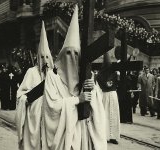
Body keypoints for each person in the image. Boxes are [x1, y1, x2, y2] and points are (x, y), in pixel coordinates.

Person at [41, 5, 107, 150]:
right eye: (68, 53)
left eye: (76, 54)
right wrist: (78, 99)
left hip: (81, 128)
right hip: (63, 132)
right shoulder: (53, 77)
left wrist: (93, 89)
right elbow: (52, 107)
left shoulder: (84, 74)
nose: (72, 57)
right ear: (62, 56)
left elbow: (98, 103)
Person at [15, 21, 54, 150]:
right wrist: (25, 99)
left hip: (50, 118)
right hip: (34, 118)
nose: (45, 60)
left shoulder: (54, 75)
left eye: (47, 57)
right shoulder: (31, 72)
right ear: (38, 58)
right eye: (42, 57)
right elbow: (20, 94)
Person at [97, 53, 120, 144]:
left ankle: (113, 136)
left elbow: (119, 81)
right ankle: (105, 136)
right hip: (105, 95)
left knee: (113, 115)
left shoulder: (114, 73)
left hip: (113, 94)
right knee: (105, 115)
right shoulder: (100, 74)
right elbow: (102, 84)